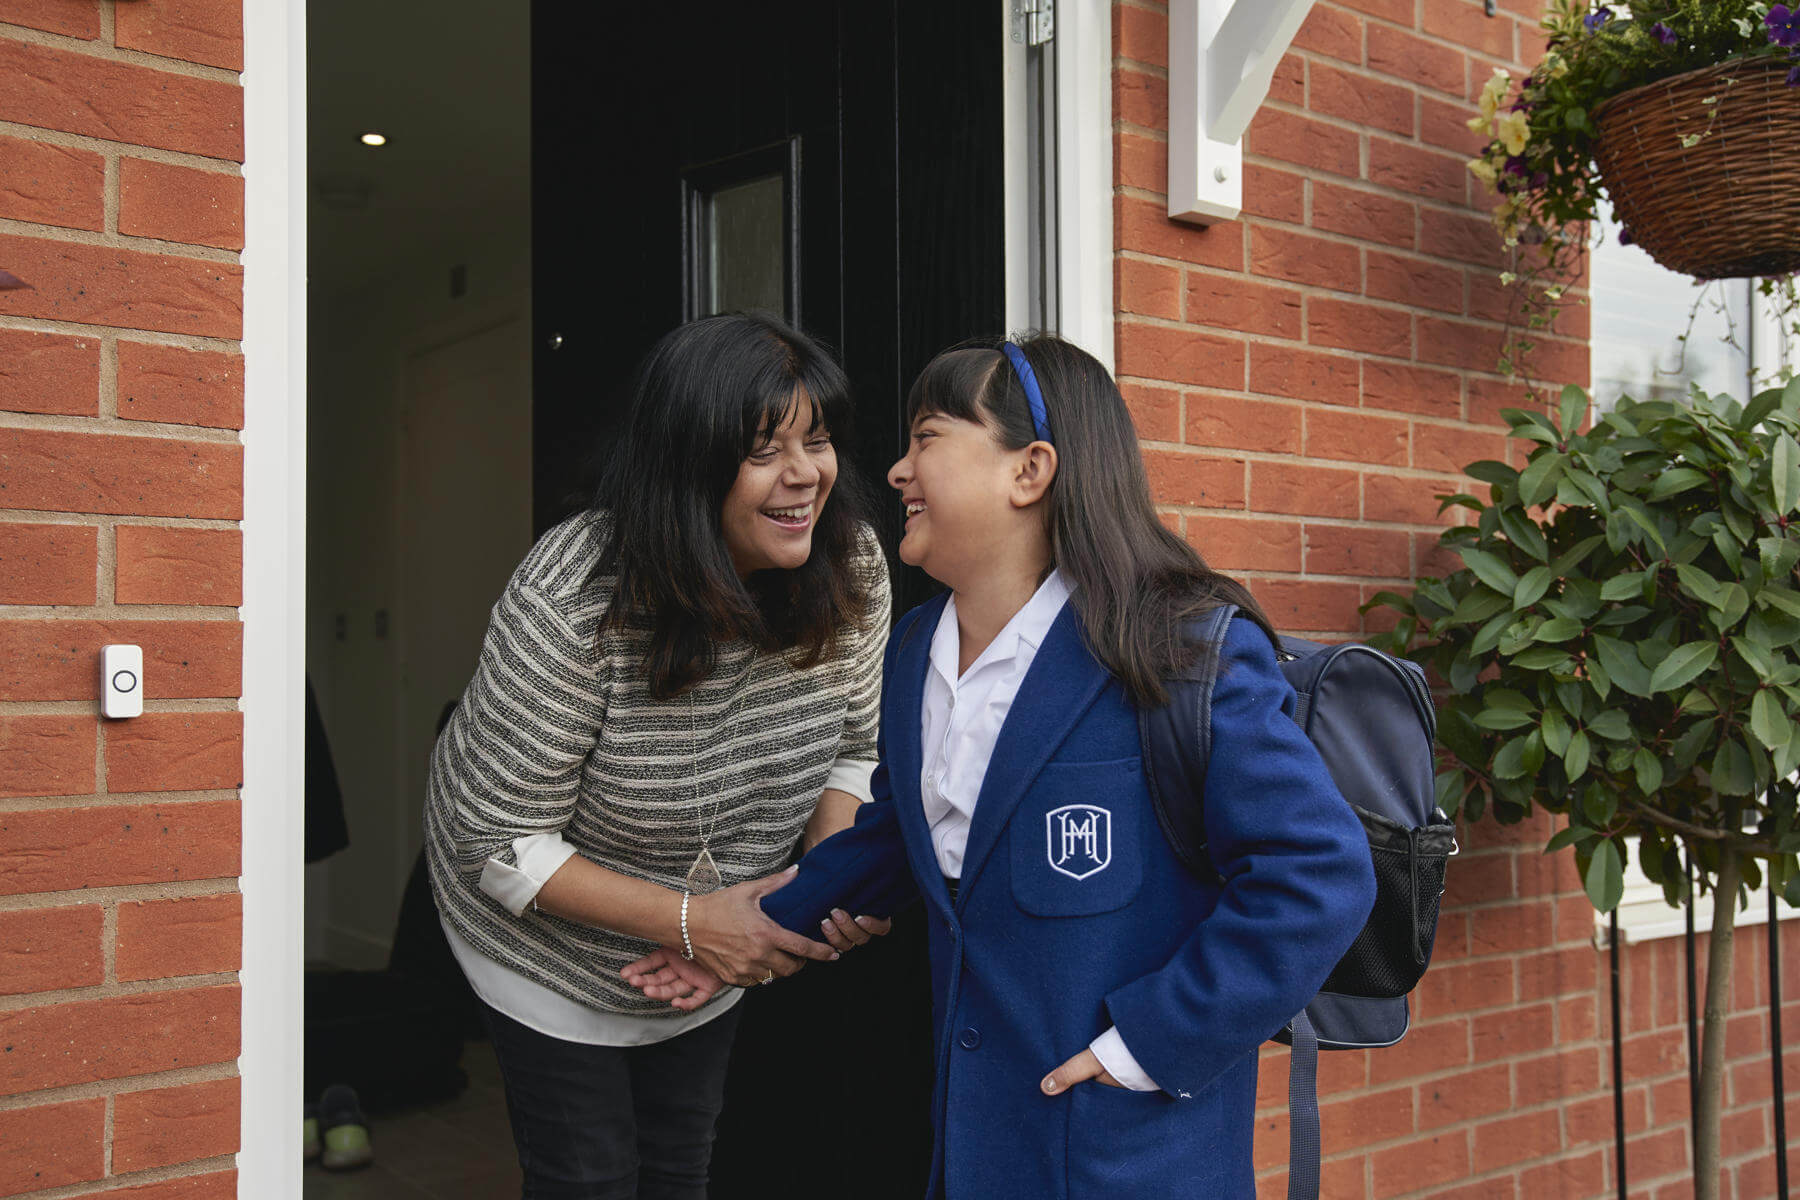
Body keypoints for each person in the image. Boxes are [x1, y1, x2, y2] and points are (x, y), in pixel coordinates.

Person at [624, 334, 1377, 1198]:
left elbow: (1319, 876)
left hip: (1127, 1156)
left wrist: (1143, 1047)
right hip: (974, 1151)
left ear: (1030, 471)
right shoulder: (916, 649)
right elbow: (899, 837)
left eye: (928, 439)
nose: (897, 472)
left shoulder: (1177, 651)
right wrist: (730, 942)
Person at [424, 312, 893, 1199]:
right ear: (687, 462)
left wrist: (797, 909)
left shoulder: (852, 565)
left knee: (679, 1167)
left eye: (819, 439)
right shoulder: (574, 595)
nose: (805, 476)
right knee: (590, 1178)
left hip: (721, 932)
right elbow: (497, 845)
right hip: (540, 937)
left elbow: (853, 752)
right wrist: (692, 920)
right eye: (765, 449)